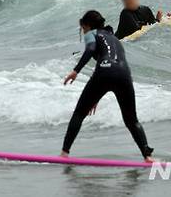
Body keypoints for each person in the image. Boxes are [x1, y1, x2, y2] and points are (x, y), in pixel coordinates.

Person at [61, 10, 154, 162]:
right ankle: (147, 156)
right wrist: (95, 97)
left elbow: (92, 52)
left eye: (83, 28)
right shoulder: (115, 39)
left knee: (78, 114)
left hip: (104, 73)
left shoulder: (92, 34)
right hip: (124, 75)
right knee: (132, 120)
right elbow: (112, 66)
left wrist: (76, 71)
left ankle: (64, 154)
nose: (83, 32)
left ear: (88, 26)